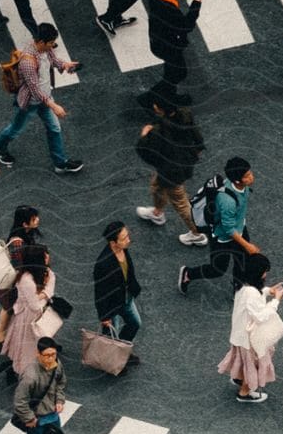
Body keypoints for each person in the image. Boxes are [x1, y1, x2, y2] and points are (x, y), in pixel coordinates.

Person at [0, 24, 83, 174]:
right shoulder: (28, 62)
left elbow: (53, 60)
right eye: (51, 43)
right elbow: (34, 90)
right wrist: (54, 106)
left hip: (45, 99)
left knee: (54, 128)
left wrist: (65, 65)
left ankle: (60, 162)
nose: (53, 46)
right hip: (31, 102)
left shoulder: (46, 48)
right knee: (15, 129)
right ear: (41, 42)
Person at [134, 90, 207, 244]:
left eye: (156, 105)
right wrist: (197, 149)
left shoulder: (159, 131)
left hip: (171, 171)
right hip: (184, 161)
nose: (154, 106)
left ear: (161, 109)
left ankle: (197, 233)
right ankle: (157, 212)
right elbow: (196, 134)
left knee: (180, 202)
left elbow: (144, 151)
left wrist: (144, 135)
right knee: (157, 186)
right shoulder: (184, 114)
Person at [179, 157, 258, 294]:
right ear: (238, 181)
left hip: (238, 228)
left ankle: (238, 287)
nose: (252, 177)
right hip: (222, 237)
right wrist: (247, 245)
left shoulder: (239, 185)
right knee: (217, 270)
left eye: (250, 172)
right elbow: (228, 229)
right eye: (247, 176)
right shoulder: (227, 201)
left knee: (242, 260)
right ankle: (188, 274)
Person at [219, 252, 283, 404]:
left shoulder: (242, 286)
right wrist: (276, 300)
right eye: (264, 271)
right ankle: (245, 391)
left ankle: (240, 378)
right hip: (250, 339)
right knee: (254, 363)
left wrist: (269, 291)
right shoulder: (252, 293)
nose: (266, 274)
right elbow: (261, 316)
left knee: (242, 360)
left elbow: (253, 299)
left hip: (239, 334)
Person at [93, 219, 143, 350]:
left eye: (127, 235)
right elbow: (100, 291)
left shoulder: (123, 249)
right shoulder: (103, 264)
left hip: (127, 297)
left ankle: (120, 351)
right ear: (113, 242)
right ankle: (111, 363)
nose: (128, 240)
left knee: (135, 324)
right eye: (124, 238)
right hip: (112, 305)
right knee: (110, 338)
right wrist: (104, 316)